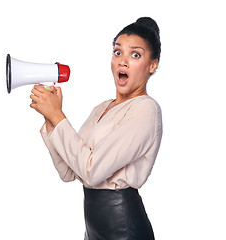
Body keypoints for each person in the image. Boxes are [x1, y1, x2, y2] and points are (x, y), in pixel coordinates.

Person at [30, 17, 162, 240]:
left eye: (136, 55)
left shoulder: (146, 109)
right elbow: (69, 171)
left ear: (152, 65)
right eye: (117, 52)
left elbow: (92, 172)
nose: (122, 61)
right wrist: (51, 118)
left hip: (124, 229)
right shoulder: (101, 108)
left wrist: (57, 115)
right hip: (93, 229)